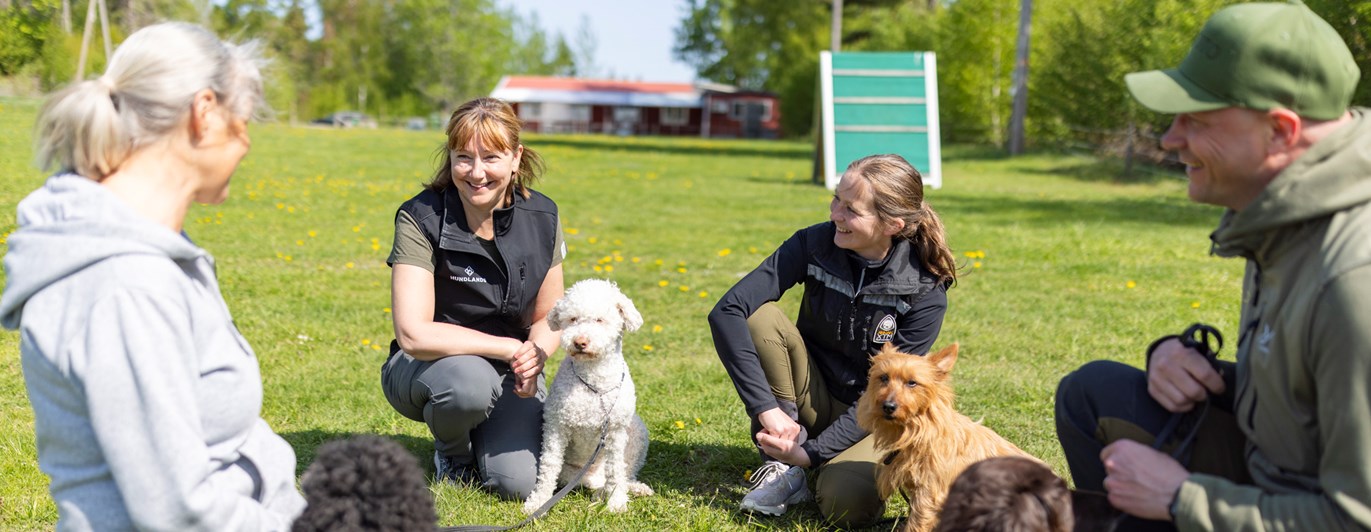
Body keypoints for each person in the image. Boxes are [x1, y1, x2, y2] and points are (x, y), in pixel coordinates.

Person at [1054, 1, 1371, 530]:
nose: (1169, 139)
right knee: (1094, 393)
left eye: (1195, 120)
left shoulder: (1353, 280)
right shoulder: (1285, 212)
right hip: (1271, 477)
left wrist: (1182, 498)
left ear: (1280, 132)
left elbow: (1356, 518)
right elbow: (1309, 395)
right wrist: (1207, 374)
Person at [0, 22, 305, 530]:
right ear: (204, 113)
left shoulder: (152, 252)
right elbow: (177, 510)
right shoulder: (124, 285)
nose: (247, 144)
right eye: (243, 121)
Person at [708, 153, 957, 526]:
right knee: (759, 317)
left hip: (873, 416)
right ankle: (781, 465)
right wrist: (766, 409)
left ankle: (810, 465)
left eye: (851, 209)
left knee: (848, 507)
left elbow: (891, 397)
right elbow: (727, 311)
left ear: (892, 224)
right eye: (836, 199)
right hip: (810, 395)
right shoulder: (814, 242)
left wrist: (812, 453)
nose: (835, 214)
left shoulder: (924, 291)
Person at [381, 97, 564, 501]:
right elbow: (413, 334)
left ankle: (482, 430)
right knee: (469, 384)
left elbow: (550, 312)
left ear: (516, 158)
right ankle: (452, 454)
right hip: (426, 367)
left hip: (509, 368)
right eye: (463, 157)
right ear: (449, 157)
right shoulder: (419, 216)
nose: (476, 172)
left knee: (516, 485)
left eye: (491, 158)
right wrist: (505, 347)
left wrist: (535, 356)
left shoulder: (545, 217)